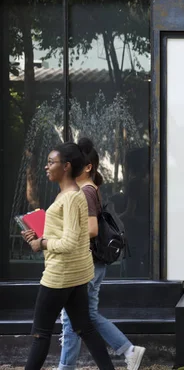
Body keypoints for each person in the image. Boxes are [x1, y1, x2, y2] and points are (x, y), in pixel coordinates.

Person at [21, 142, 114, 370]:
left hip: (60, 276)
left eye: (51, 162)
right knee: (85, 328)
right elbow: (69, 233)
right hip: (75, 275)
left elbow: (70, 242)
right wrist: (39, 234)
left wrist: (41, 243)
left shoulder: (72, 197)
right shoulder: (68, 194)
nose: (46, 167)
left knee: (40, 335)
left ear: (67, 166)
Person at [58, 138, 146, 370]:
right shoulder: (91, 189)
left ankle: (65, 367)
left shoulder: (86, 192)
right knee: (88, 316)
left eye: (74, 164)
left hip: (86, 263)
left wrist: (62, 236)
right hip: (94, 263)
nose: (69, 168)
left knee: (71, 319)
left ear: (87, 167)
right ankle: (129, 350)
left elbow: (92, 229)